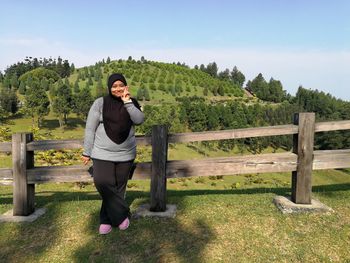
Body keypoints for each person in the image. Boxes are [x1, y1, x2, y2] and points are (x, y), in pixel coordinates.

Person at [82, 73, 144, 234]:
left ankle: (106, 220)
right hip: (102, 153)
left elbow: (139, 120)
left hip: (126, 154)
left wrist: (127, 102)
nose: (117, 89)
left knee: (118, 188)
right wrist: (87, 151)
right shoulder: (100, 103)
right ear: (109, 87)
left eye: (120, 85)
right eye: (114, 86)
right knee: (102, 182)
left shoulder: (132, 102)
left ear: (125, 86)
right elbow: (90, 128)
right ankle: (122, 215)